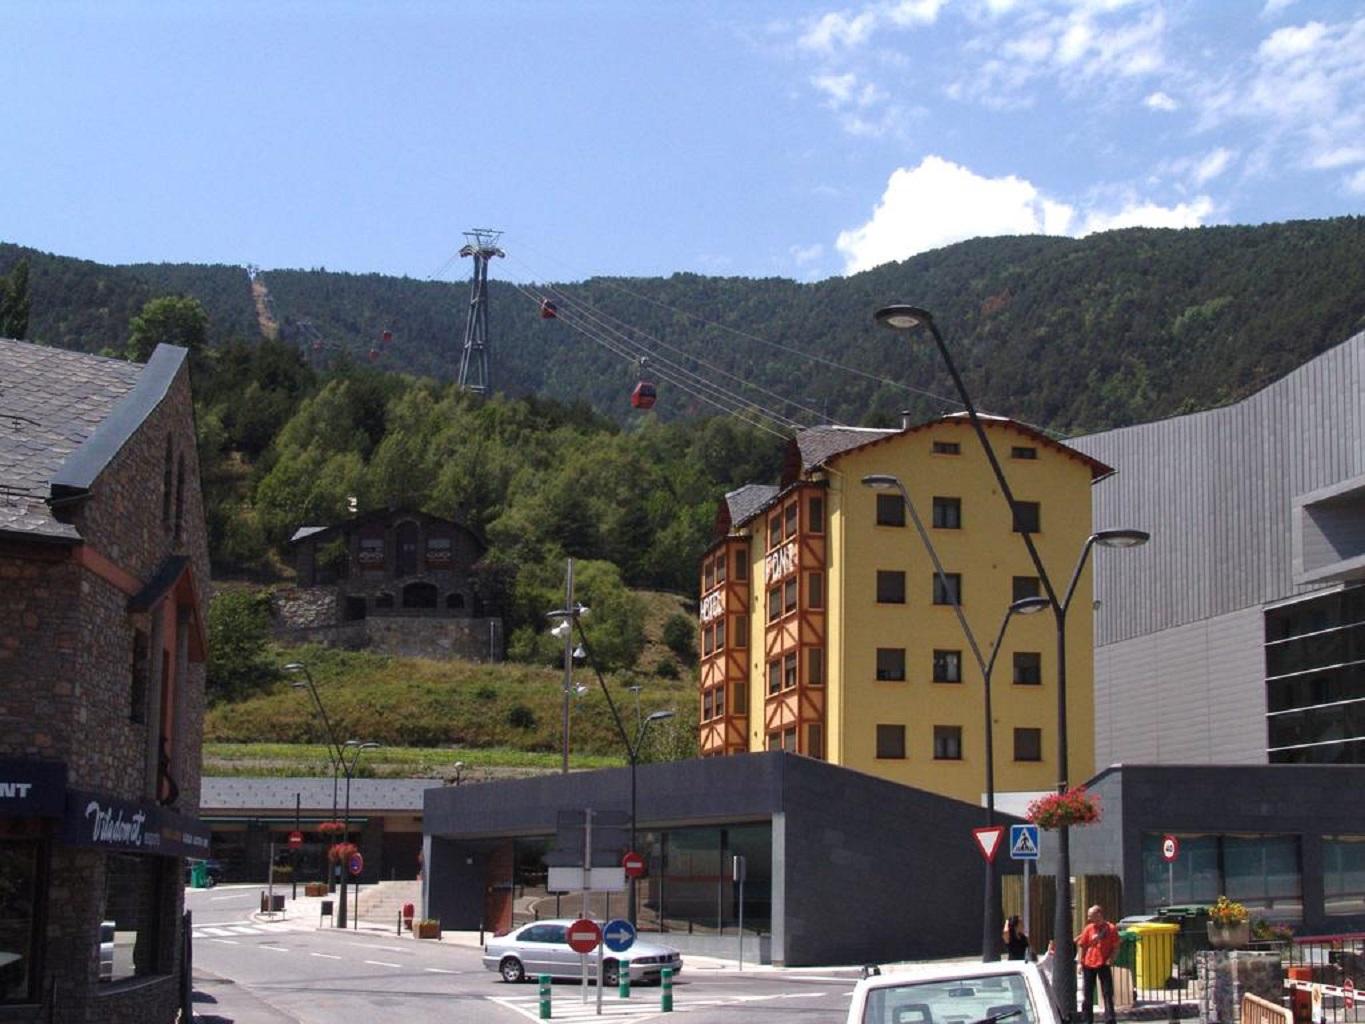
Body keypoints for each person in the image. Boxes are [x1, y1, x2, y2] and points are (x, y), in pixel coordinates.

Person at [1075, 904, 1120, 1024]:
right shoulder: (1088, 928)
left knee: (1107, 992)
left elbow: (1116, 947)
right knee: (1088, 993)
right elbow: (1082, 946)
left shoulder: (1111, 928)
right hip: (1089, 963)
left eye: (1091, 916)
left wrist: (1111, 959)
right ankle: (1087, 1020)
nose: (1089, 919)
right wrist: (1080, 962)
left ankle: (1110, 1018)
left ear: (1099, 914)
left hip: (1103, 963)